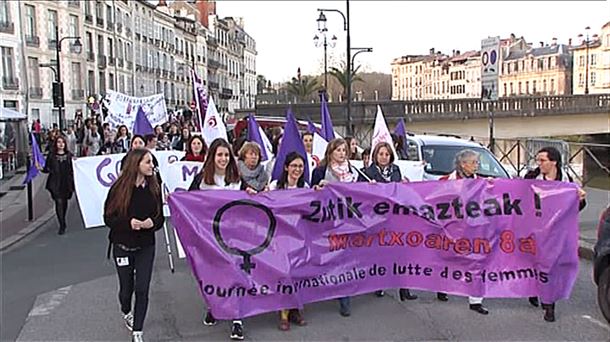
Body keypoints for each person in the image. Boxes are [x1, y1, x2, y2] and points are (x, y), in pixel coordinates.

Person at [188, 138, 252, 340]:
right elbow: (188, 203)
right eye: (220, 155)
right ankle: (214, 306)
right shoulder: (201, 180)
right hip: (209, 237)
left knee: (234, 274)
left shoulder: (237, 179)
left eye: (226, 155)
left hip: (234, 237)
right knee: (213, 275)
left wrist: (253, 193)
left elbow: (252, 199)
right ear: (212, 157)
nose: (223, 159)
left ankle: (236, 318)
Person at [104, 149, 165, 342]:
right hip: (122, 245)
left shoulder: (154, 188)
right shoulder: (118, 189)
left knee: (142, 287)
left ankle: (138, 331)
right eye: (147, 162)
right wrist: (129, 223)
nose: (151, 166)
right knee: (126, 288)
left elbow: (160, 218)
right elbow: (108, 218)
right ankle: (126, 310)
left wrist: (151, 224)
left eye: (152, 162)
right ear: (136, 164)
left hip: (146, 245)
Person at [524, 146, 587, 322]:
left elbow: (577, 207)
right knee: (536, 263)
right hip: (535, 229)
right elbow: (518, 198)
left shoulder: (567, 182)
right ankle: (534, 290)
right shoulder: (531, 178)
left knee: (552, 266)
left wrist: (580, 199)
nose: (539, 164)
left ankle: (549, 305)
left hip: (557, 232)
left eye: (542, 160)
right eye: (538, 160)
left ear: (554, 162)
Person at [311, 138, 362, 317]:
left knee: (344, 259)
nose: (342, 153)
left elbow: (362, 193)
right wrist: (318, 189)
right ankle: (328, 286)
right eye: (338, 150)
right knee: (329, 258)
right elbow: (311, 195)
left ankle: (344, 297)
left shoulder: (354, 172)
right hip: (327, 222)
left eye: (344, 150)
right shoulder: (319, 171)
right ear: (330, 152)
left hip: (347, 222)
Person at [361, 142, 418, 300]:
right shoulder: (367, 172)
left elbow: (399, 192)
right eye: (381, 154)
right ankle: (380, 284)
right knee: (382, 254)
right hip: (377, 219)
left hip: (395, 218)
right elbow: (358, 195)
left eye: (386, 154)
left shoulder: (396, 171)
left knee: (402, 253)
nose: (384, 157)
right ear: (375, 155)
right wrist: (367, 187)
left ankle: (404, 289)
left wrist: (404, 186)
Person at [437, 149, 489, 315]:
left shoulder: (482, 183)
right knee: (449, 260)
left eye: (477, 162)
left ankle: (475, 300)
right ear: (463, 164)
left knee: (476, 262)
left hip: (474, 229)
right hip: (452, 229)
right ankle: (442, 287)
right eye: (473, 162)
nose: (476, 165)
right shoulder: (444, 182)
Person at [268, 152, 308, 330]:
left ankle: (295, 309)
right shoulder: (275, 186)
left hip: (299, 236)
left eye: (300, 166)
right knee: (284, 273)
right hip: (279, 236)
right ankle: (283, 312)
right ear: (286, 167)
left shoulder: (305, 186)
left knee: (298, 273)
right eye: (294, 166)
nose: (297, 170)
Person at [41, 135, 75, 235]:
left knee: (64, 203)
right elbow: (47, 169)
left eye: (62, 142)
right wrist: (40, 168)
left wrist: (76, 162)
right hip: (55, 183)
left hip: (66, 183)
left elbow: (74, 169)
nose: (61, 144)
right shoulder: (51, 155)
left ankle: (63, 218)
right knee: (58, 202)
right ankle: (62, 224)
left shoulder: (69, 155)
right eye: (59, 142)